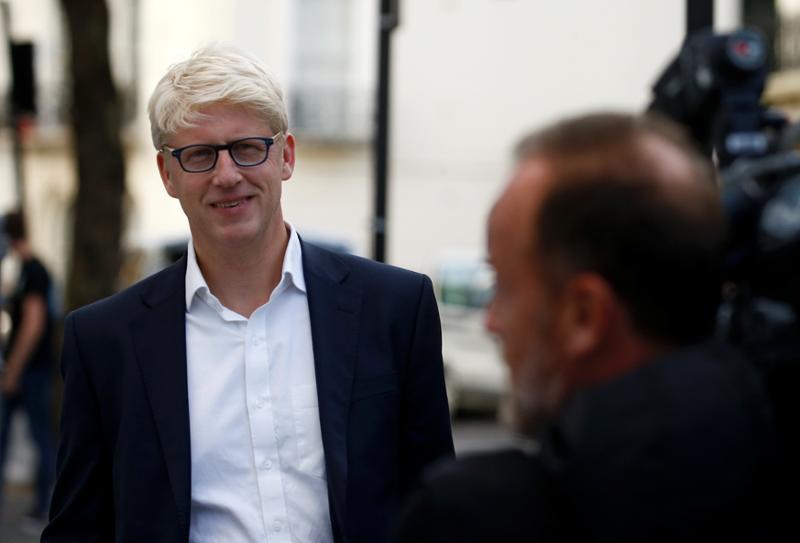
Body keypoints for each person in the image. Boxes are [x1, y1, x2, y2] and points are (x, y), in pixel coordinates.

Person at [43, 44, 453, 543]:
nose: (227, 175)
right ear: (167, 174)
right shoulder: (104, 341)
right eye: (199, 155)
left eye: (247, 147)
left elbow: (439, 510)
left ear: (286, 156)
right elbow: (78, 530)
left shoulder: (395, 308)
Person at [395, 112, 777, 542]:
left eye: (502, 287)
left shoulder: (477, 518)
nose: (491, 321)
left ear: (584, 316)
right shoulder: (762, 453)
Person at [0, 210, 57, 527]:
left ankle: (44, 507)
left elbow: (33, 325)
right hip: (25, 371)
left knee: (40, 437)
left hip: (31, 372)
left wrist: (13, 371)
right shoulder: (22, 270)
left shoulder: (34, 271)